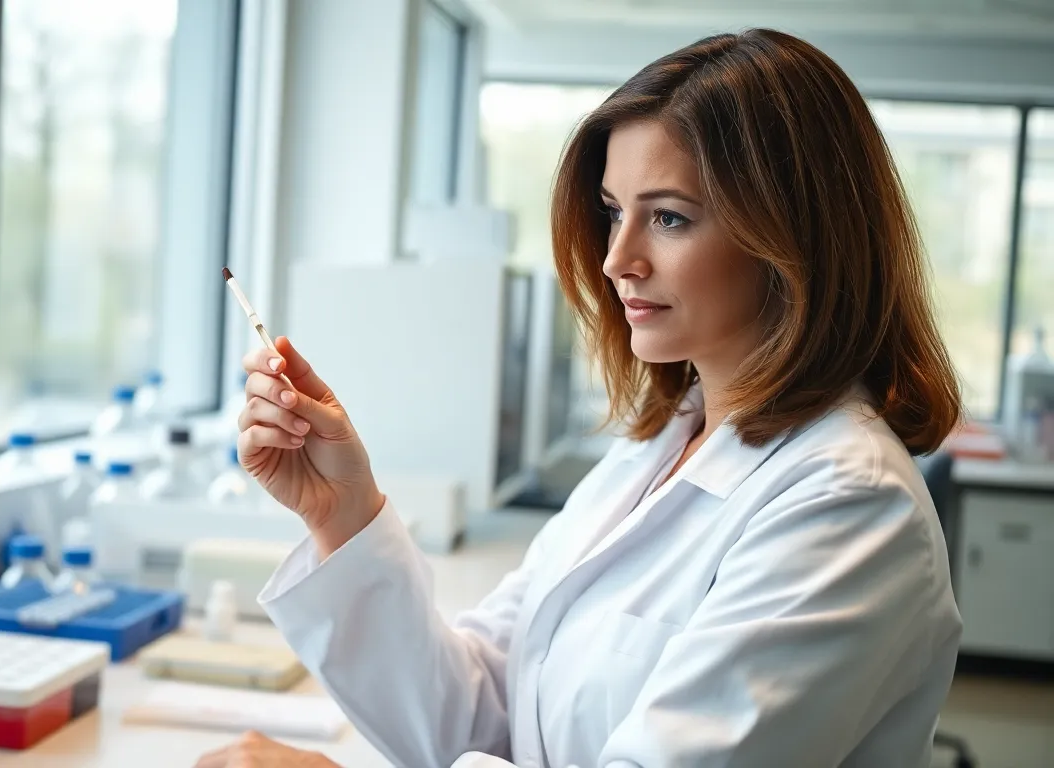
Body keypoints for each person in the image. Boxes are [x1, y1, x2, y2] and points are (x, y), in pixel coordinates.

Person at [195, 28, 963, 768]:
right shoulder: (655, 450)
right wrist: (342, 514)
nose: (617, 259)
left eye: (668, 217)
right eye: (612, 212)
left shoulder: (849, 504)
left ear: (794, 236)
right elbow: (478, 719)